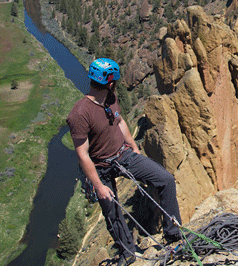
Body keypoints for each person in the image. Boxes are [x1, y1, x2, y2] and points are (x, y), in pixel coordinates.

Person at [66, 58, 182, 265]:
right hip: (100, 168)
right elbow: (83, 154)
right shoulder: (80, 114)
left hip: (123, 155)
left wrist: (134, 147)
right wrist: (99, 186)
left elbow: (119, 122)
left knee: (165, 179)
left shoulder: (110, 97)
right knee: (112, 212)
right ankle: (127, 253)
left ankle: (174, 235)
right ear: (111, 82)